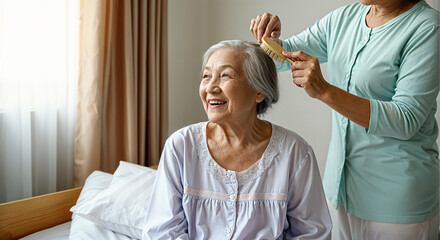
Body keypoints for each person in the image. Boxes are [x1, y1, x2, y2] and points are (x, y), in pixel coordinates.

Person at [250, 0, 439, 239]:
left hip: (397, 204)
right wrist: (270, 40)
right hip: (339, 194)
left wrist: (325, 91)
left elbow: (406, 119)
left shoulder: (427, 28)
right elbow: (286, 55)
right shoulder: (345, 17)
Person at [142, 40, 332, 239]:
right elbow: (162, 231)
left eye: (225, 75)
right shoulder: (180, 146)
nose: (210, 87)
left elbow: (313, 234)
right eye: (206, 76)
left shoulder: (295, 153)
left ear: (259, 91)